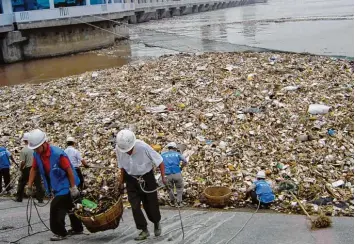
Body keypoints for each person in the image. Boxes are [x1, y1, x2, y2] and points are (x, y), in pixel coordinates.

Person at [25, 129, 83, 241]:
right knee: (71, 205)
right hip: (55, 185)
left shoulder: (57, 154)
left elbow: (69, 171)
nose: (36, 150)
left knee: (56, 207)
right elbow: (34, 169)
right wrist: (29, 185)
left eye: (37, 147)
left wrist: (73, 187)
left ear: (43, 144)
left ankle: (60, 232)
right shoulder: (37, 154)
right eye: (34, 148)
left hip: (66, 184)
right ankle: (77, 228)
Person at [116, 129, 166, 241]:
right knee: (135, 206)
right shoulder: (119, 148)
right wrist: (121, 182)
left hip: (147, 177)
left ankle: (156, 222)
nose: (127, 152)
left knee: (151, 204)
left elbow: (160, 161)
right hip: (131, 179)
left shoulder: (143, 147)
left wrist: (163, 177)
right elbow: (122, 167)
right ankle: (143, 230)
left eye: (129, 150)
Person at [15, 132, 44, 203]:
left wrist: (21, 169)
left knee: (22, 182)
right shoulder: (35, 148)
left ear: (25, 141)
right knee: (38, 184)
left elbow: (23, 162)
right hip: (36, 168)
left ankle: (19, 198)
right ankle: (40, 199)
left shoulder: (24, 150)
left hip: (27, 169)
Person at [161, 142, 187, 207]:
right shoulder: (177, 154)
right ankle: (179, 202)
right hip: (177, 173)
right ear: (175, 148)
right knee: (179, 188)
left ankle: (172, 202)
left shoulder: (163, 155)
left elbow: (159, 163)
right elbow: (185, 161)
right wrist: (181, 167)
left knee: (170, 188)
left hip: (167, 174)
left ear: (168, 148)